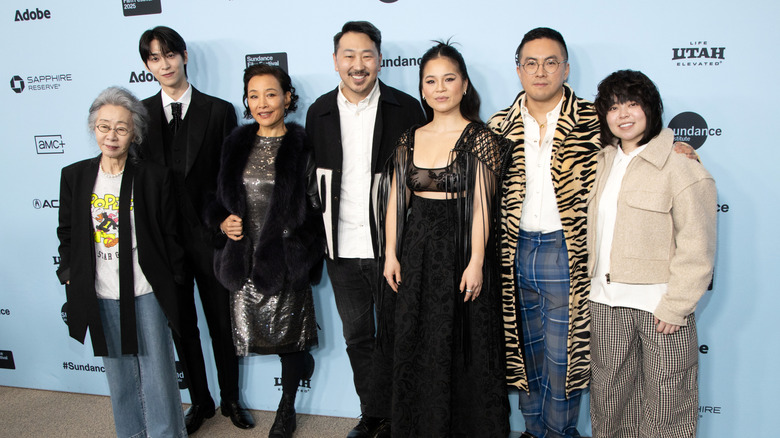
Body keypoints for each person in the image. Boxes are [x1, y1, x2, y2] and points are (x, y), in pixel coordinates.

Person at [379, 41, 510, 437]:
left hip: (461, 253)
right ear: (421, 89)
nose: (440, 88)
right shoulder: (409, 138)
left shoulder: (480, 138)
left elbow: (483, 207)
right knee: (419, 338)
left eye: (449, 79)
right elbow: (394, 204)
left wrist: (475, 261)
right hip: (417, 252)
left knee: (465, 342)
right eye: (430, 81)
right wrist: (390, 254)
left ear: (464, 85)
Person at [305, 21, 425, 438]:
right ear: (336, 60)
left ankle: (401, 416)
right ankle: (372, 415)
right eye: (349, 55)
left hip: (392, 248)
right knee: (358, 338)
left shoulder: (406, 108)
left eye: (367, 55)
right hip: (341, 250)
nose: (358, 65)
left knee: (398, 336)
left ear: (379, 59)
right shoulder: (318, 111)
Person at [137, 26, 254, 433]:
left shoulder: (218, 110)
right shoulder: (140, 116)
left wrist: (226, 217)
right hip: (165, 241)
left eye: (169, 54)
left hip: (211, 235)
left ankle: (231, 400)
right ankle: (200, 402)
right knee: (181, 327)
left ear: (184, 56)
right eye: (154, 58)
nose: (164, 64)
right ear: (147, 66)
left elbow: (231, 175)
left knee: (222, 324)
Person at [587, 70, 716, 438]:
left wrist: (677, 304)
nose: (623, 113)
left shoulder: (680, 164)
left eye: (632, 103)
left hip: (662, 308)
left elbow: (698, 240)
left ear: (650, 108)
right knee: (610, 403)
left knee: (667, 404)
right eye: (613, 106)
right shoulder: (603, 161)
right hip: (605, 302)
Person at [487, 27, 599, 438]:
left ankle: (559, 432)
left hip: (564, 250)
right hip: (513, 251)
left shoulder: (593, 119)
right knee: (523, 353)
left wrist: (675, 146)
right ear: (518, 71)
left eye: (550, 62)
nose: (540, 71)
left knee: (563, 359)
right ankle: (533, 431)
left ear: (565, 69)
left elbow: (636, 146)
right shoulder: (498, 125)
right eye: (530, 63)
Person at [56, 86, 186, 438]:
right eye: (103, 126)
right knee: (119, 377)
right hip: (99, 291)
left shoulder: (153, 177)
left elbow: (170, 235)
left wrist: (173, 281)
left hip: (145, 290)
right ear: (92, 128)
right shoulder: (75, 176)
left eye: (121, 128)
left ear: (135, 134)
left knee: (158, 374)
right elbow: (66, 232)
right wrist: (68, 273)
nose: (111, 135)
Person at [204, 63, 324, 438]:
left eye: (271, 94)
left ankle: (286, 408)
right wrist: (223, 221)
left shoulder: (302, 146)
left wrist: (295, 242)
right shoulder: (235, 143)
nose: (262, 103)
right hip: (243, 256)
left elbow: (316, 207)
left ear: (287, 98)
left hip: (285, 258)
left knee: (290, 339)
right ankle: (301, 364)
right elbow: (216, 197)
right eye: (253, 95)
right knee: (256, 335)